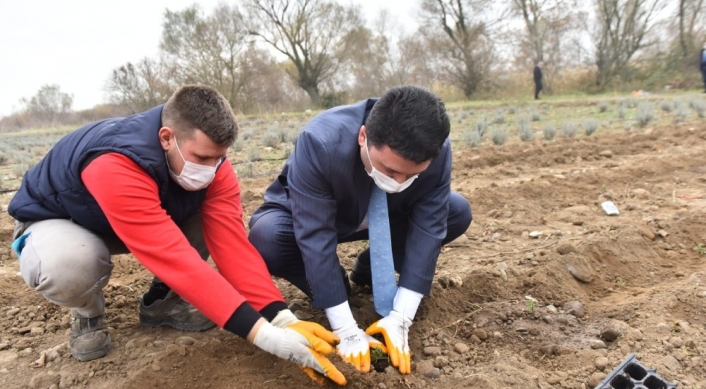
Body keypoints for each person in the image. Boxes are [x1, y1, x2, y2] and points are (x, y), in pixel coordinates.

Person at [8, 85, 346, 385]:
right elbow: (174, 257)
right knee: (71, 264)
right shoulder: (116, 161)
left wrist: (279, 316)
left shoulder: (213, 166)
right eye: (202, 157)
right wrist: (263, 336)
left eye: (220, 157)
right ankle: (86, 314)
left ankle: (162, 301)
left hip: (131, 217)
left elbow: (232, 246)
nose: (212, 167)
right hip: (63, 222)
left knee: (205, 215)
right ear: (167, 137)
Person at [248, 86, 473, 375]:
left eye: (411, 175)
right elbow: (315, 234)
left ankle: (370, 268)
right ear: (363, 136)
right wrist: (345, 327)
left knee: (456, 211)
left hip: (388, 216)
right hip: (316, 215)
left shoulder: (437, 150)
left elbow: (430, 226)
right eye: (389, 170)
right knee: (267, 235)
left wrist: (402, 317)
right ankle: (337, 288)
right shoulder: (320, 141)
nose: (399, 181)